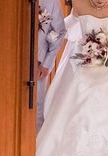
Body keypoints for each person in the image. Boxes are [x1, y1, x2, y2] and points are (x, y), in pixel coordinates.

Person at [36, 0, 108, 156]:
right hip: (85, 67)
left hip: (107, 69)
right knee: (73, 110)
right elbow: (69, 30)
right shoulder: (81, 3)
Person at [37, 0, 66, 132]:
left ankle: (35, 142)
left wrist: (46, 64)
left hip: (38, 62)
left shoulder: (51, 2)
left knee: (37, 106)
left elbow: (59, 32)